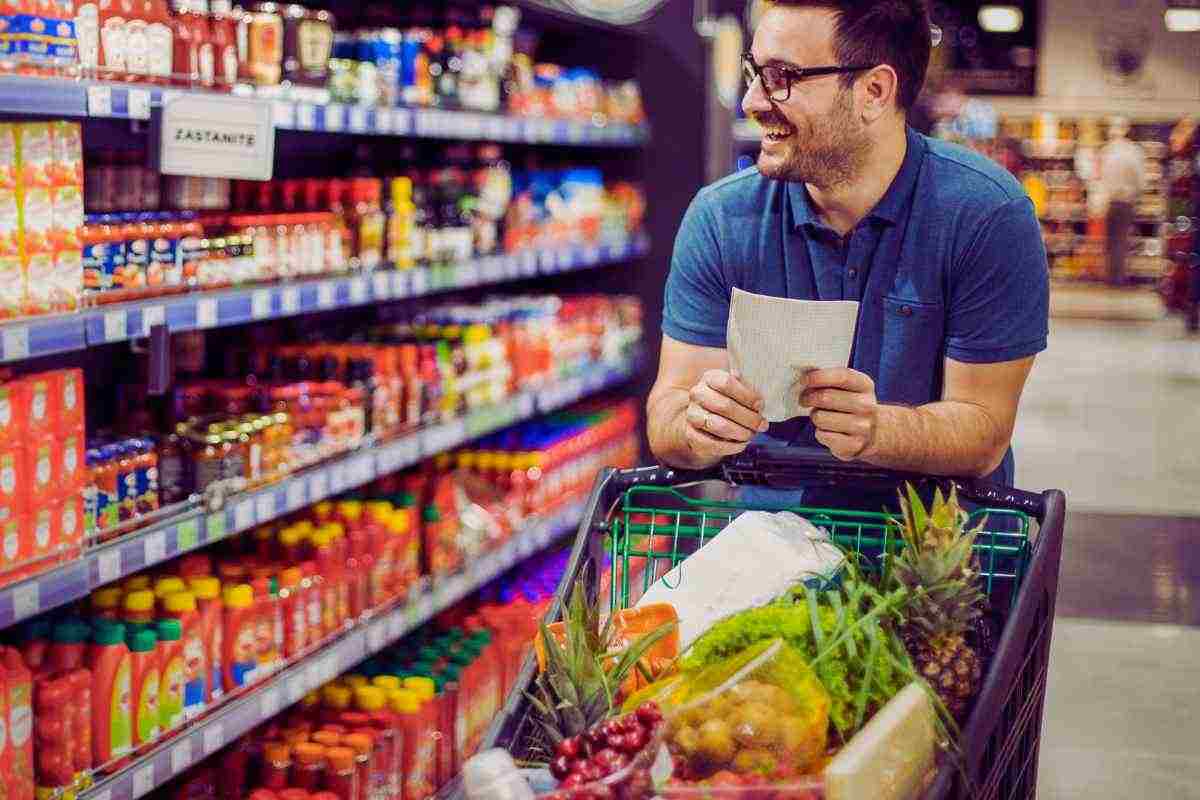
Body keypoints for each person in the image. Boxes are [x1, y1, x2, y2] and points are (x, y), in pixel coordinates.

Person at [646, 0, 1049, 502]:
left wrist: (878, 431)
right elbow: (667, 413)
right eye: (754, 72)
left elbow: (985, 430)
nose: (751, 100)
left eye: (782, 77)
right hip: (768, 539)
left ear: (874, 92)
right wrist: (696, 427)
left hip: (935, 539)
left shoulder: (986, 215)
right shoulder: (722, 218)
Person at [1097, 117, 1146, 286]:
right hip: (1126, 201)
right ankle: (1118, 278)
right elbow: (1140, 179)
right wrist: (1137, 195)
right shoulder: (1133, 151)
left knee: (1111, 241)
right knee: (1122, 239)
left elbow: (1101, 178)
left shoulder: (1106, 151)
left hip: (1110, 202)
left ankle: (1111, 277)